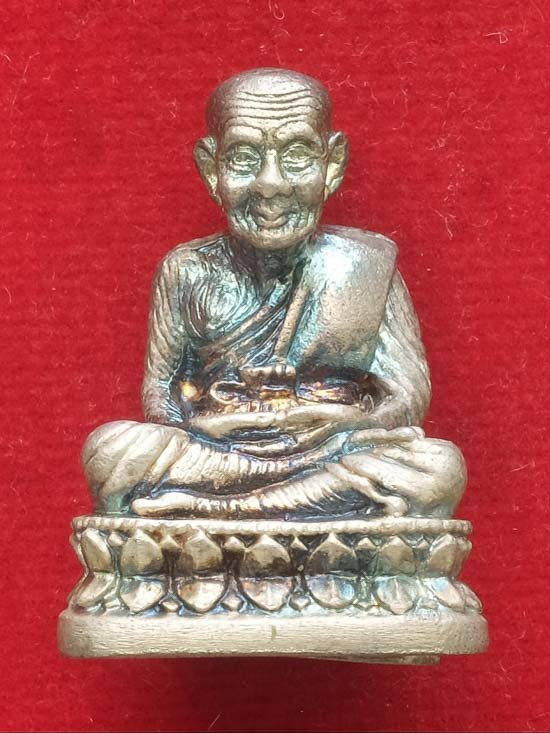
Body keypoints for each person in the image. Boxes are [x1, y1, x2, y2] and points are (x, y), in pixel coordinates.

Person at [82, 68, 466, 520]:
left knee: (437, 467)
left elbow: (406, 396)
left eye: (297, 155)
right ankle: (268, 506)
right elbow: (161, 391)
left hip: (332, 450)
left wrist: (345, 425)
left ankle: (218, 509)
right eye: (243, 158)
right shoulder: (186, 269)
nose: (271, 185)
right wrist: (213, 426)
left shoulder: (365, 266)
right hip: (220, 451)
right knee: (112, 451)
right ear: (211, 169)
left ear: (332, 164)